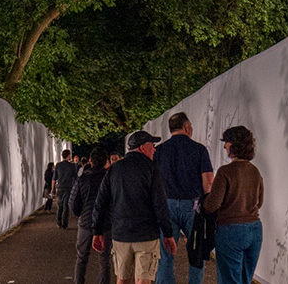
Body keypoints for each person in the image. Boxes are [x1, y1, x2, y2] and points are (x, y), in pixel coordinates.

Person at [92, 131, 177, 284]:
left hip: (121, 234)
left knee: (122, 279)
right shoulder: (152, 168)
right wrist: (168, 233)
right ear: (143, 147)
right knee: (143, 280)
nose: (154, 149)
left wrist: (97, 231)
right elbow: (160, 203)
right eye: (152, 145)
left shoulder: (114, 169)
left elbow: (101, 202)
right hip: (147, 235)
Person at [154, 112, 214, 284]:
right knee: (196, 252)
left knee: (165, 255)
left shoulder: (160, 151)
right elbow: (208, 183)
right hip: (193, 206)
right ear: (187, 127)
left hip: (166, 206)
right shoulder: (199, 149)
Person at [200, 126, 264, 284]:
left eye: (226, 142)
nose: (224, 146)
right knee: (245, 279)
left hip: (231, 230)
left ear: (234, 144)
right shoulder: (255, 171)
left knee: (229, 279)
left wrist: (201, 203)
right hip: (255, 229)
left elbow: (212, 204)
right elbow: (259, 202)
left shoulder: (225, 172)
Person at [70, 147, 113, 284]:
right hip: (106, 223)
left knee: (82, 257)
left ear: (91, 160)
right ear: (106, 161)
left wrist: (81, 214)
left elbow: (73, 203)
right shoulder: (110, 179)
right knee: (104, 260)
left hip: (86, 222)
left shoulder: (82, 179)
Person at [54, 150, 79, 229]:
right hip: (68, 187)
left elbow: (54, 178)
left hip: (60, 187)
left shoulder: (58, 165)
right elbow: (75, 178)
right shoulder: (72, 166)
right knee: (66, 206)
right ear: (69, 156)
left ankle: (58, 223)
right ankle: (64, 224)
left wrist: (52, 188)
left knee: (59, 205)